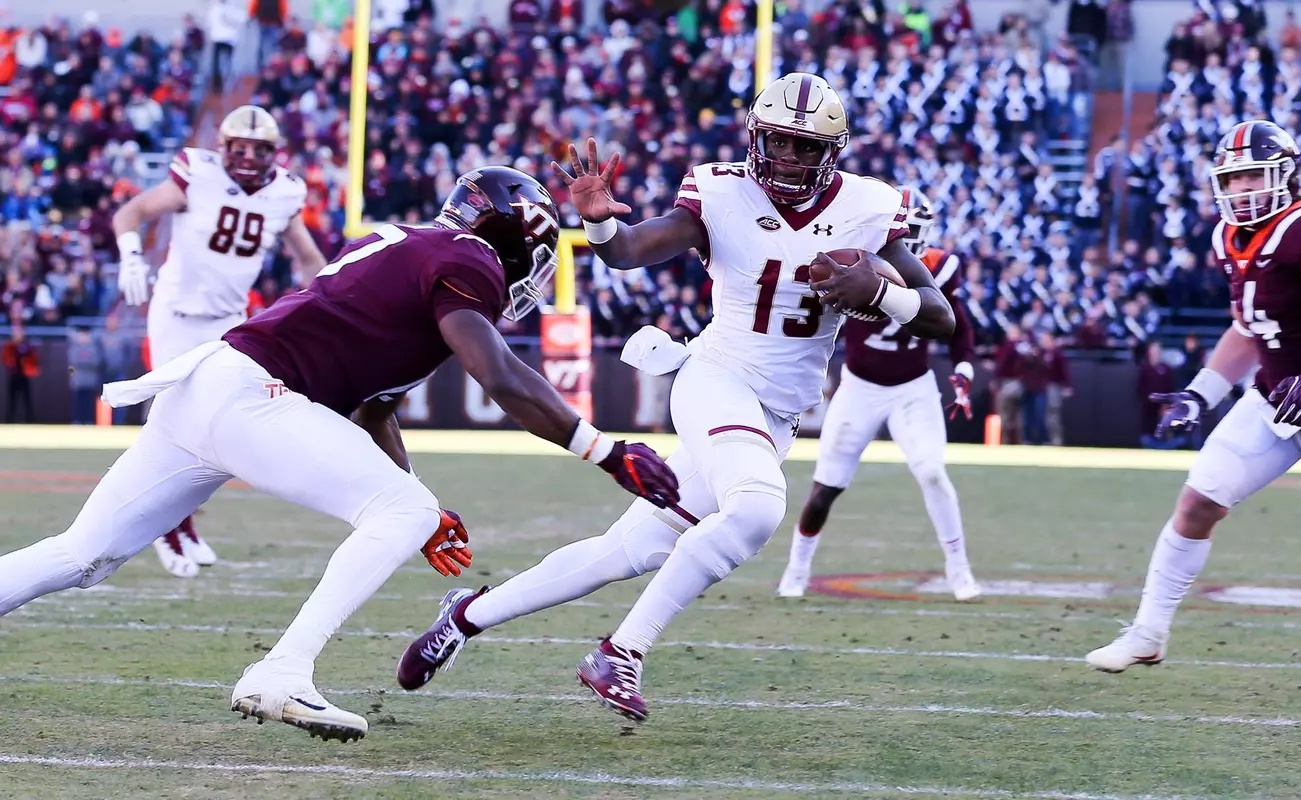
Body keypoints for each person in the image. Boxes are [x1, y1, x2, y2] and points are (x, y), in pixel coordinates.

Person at [0, 166, 680, 742]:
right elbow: (500, 376)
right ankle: (282, 671)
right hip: (254, 396)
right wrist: (603, 450)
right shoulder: (466, 259)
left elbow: (375, 408)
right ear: (510, 235)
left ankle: (286, 665)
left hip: (207, 386)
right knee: (401, 510)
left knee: (80, 554)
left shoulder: (410, 247)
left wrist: (422, 506)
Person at [394, 73, 955, 722]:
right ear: (756, 138)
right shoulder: (720, 191)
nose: (787, 157)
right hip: (717, 380)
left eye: (804, 146)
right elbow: (631, 250)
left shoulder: (868, 205)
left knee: (628, 551)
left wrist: (881, 293)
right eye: (777, 141)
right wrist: (600, 225)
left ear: (832, 151)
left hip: (777, 415)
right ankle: (621, 651)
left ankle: (465, 615)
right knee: (756, 509)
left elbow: (940, 317)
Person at [1087, 120, 1301, 672]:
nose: (1241, 190)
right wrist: (1200, 393)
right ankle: (1147, 634)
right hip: (1276, 400)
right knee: (1197, 504)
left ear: (1284, 175)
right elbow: (1247, 329)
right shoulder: (1227, 238)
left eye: (1252, 177)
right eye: (1232, 180)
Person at [114, 105, 328, 579]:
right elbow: (132, 211)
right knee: (173, 423)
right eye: (240, 149)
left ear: (274, 153)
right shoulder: (198, 173)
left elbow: (309, 257)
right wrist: (131, 257)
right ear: (223, 148)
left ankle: (182, 522)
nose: (248, 158)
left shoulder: (285, 192)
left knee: (217, 427)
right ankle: (167, 529)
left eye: (258, 150)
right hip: (176, 314)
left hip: (230, 321)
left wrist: (328, 300)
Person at [777, 186, 981, 602]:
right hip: (860, 386)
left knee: (932, 472)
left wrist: (963, 370)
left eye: (915, 228)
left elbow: (958, 323)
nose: (909, 237)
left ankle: (959, 571)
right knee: (827, 484)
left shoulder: (941, 266)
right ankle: (796, 570)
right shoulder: (856, 261)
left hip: (914, 386)